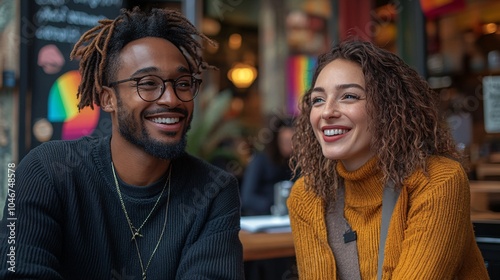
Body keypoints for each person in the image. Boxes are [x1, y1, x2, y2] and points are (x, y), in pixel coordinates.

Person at [0, 7, 244, 279]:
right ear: (107, 99)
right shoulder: (44, 171)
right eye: (148, 83)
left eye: (183, 83)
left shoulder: (213, 190)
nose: (172, 99)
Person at [287, 40, 489, 279]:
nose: (327, 111)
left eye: (349, 96)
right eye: (318, 100)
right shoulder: (307, 196)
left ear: (388, 107)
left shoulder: (438, 181)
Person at [241, 115, 295, 216]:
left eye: (293, 141)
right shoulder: (260, 160)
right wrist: (273, 206)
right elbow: (247, 198)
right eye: (286, 141)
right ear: (277, 140)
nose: (290, 146)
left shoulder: (295, 162)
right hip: (262, 217)